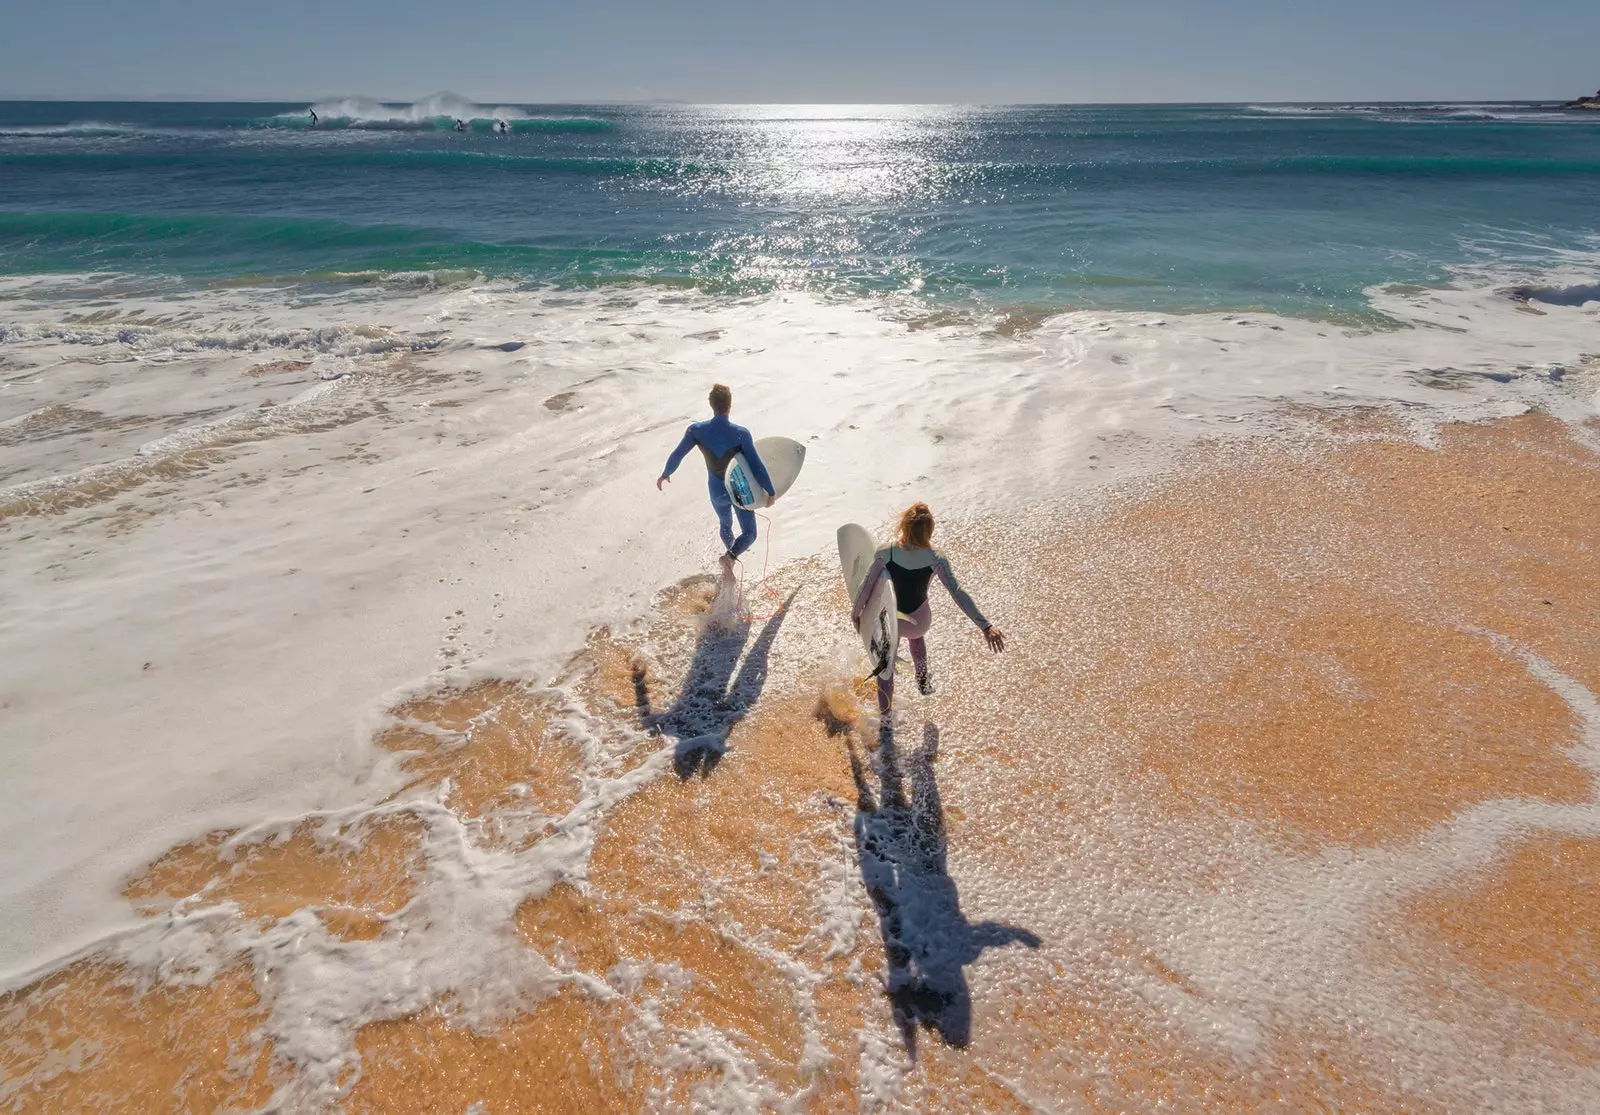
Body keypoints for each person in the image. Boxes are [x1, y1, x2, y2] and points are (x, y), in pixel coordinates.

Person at [852, 502, 1005, 712]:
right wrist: (986, 626)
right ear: (929, 530)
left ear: (903, 526)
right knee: (916, 638)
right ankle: (923, 680)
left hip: (893, 623)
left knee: (885, 669)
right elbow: (958, 593)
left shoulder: (886, 552)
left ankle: (885, 721)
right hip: (920, 622)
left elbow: (865, 588)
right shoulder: (936, 558)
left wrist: (856, 614)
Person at [658, 384, 776, 576]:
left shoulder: (696, 431)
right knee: (750, 533)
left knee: (725, 524)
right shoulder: (741, 434)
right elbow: (757, 467)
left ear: (710, 404)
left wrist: (665, 473)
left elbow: (677, 455)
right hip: (740, 491)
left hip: (717, 492)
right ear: (730, 406)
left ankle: (729, 556)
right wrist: (770, 491)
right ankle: (730, 557)